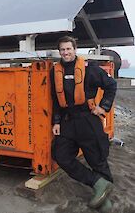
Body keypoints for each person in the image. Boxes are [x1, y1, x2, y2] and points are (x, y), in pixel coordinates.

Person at [50, 36, 116, 212]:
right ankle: (98, 183)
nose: (65, 52)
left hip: (88, 120)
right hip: (68, 122)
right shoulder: (55, 71)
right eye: (62, 50)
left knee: (97, 160)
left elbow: (111, 85)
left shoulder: (91, 69)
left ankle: (104, 202)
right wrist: (56, 121)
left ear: (75, 49)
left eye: (68, 49)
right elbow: (55, 99)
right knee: (61, 155)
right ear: (59, 52)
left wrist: (104, 107)